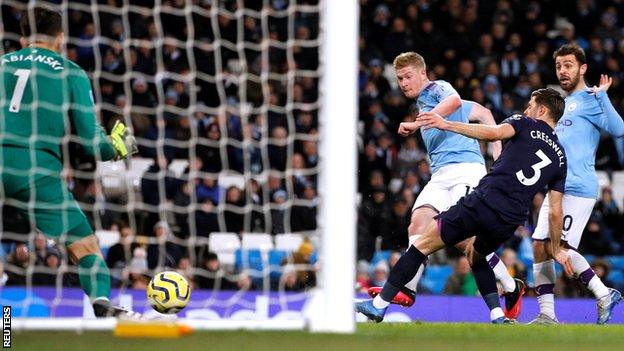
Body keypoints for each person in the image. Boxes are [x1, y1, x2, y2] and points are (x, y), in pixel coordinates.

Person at [356, 88, 575, 324]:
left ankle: (378, 306)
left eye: (530, 105)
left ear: (542, 110)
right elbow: (554, 210)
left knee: (421, 244)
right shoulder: (561, 158)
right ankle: (497, 315)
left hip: (485, 201)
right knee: (474, 253)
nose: (526, 109)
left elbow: (494, 133)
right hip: (510, 221)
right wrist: (557, 248)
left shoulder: (524, 122)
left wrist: (447, 125)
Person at [0, 7, 137, 317]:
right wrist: (119, 146)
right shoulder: (70, 71)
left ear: (23, 39)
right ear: (60, 37)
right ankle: (101, 306)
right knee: (85, 249)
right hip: (36, 170)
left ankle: (4, 329)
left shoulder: (1, 65)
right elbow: (93, 145)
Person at [367, 51, 524, 319]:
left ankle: (510, 285)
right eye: (399, 79)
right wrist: (498, 153)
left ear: (422, 73)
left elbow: (452, 100)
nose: (403, 83)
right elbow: (485, 113)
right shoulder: (425, 103)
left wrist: (420, 123)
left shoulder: (436, 89)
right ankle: (409, 288)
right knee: (417, 224)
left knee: (465, 240)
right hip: (440, 175)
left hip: (465, 170)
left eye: (407, 77)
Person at [530, 44, 624, 325]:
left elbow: (619, 130)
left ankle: (603, 293)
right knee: (539, 246)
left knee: (560, 247)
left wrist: (603, 97)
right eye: (559, 66)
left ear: (582, 68)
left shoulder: (591, 99)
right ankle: (547, 314)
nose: (563, 71)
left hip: (579, 185)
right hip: (557, 185)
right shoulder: (563, 103)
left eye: (568, 65)